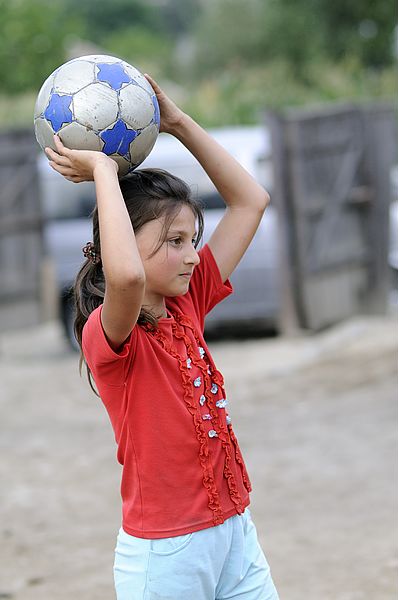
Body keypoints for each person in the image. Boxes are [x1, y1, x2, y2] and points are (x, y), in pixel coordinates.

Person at [45, 74, 279, 600]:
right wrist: (104, 170)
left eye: (192, 239)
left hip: (236, 535)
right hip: (167, 556)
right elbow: (126, 277)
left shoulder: (186, 304)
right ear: (121, 241)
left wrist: (177, 124)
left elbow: (251, 201)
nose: (193, 254)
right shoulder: (108, 335)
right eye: (173, 241)